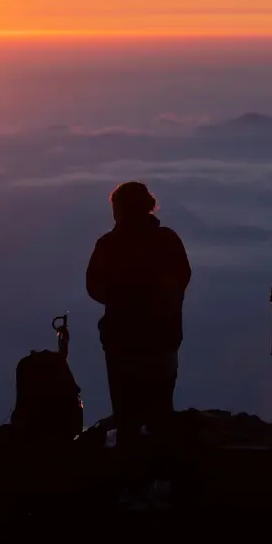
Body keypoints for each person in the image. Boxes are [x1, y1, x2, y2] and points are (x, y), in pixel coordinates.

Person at [86, 181, 191, 507]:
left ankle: (131, 487)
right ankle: (163, 482)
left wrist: (122, 299)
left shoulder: (108, 245)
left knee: (127, 417)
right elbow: (182, 278)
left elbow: (94, 288)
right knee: (161, 413)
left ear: (118, 209)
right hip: (162, 343)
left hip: (122, 346)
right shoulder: (168, 241)